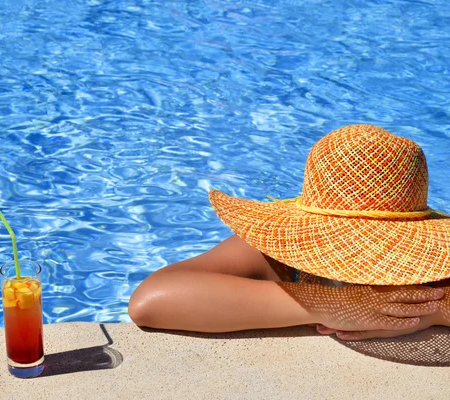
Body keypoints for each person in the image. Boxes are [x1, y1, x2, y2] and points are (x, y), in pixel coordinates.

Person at [128, 124, 450, 341]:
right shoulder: (282, 257)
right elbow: (150, 302)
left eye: (375, 243)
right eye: (348, 240)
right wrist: (336, 304)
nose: (359, 253)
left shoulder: (435, 267)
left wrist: (427, 310)